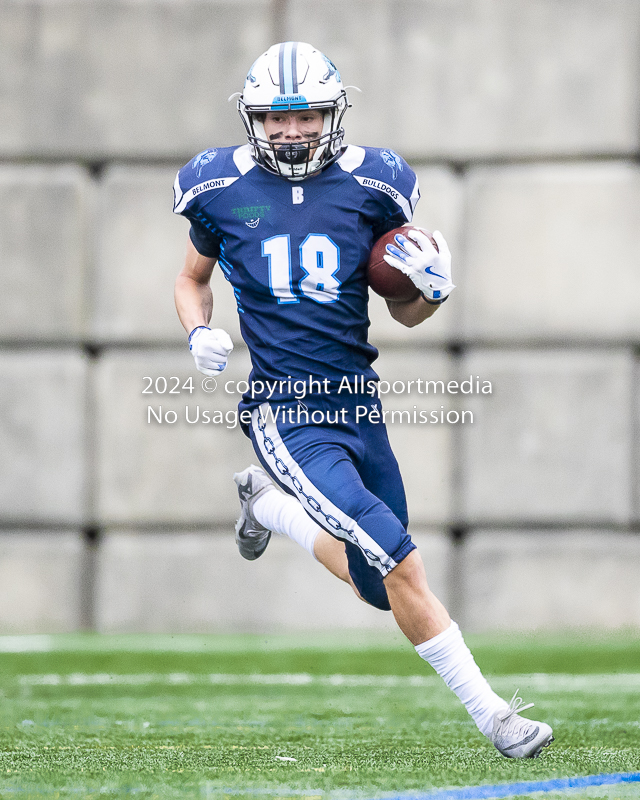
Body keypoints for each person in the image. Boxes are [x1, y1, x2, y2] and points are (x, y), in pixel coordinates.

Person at [173, 41, 553, 759]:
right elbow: (192, 277)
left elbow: (405, 312)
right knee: (401, 558)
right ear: (252, 119)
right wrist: (199, 331)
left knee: (381, 588)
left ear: (333, 113)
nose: (290, 132)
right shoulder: (217, 185)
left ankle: (269, 506)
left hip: (359, 402)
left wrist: (431, 291)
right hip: (287, 411)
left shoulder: (376, 184)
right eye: (274, 119)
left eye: (306, 116)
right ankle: (496, 717)